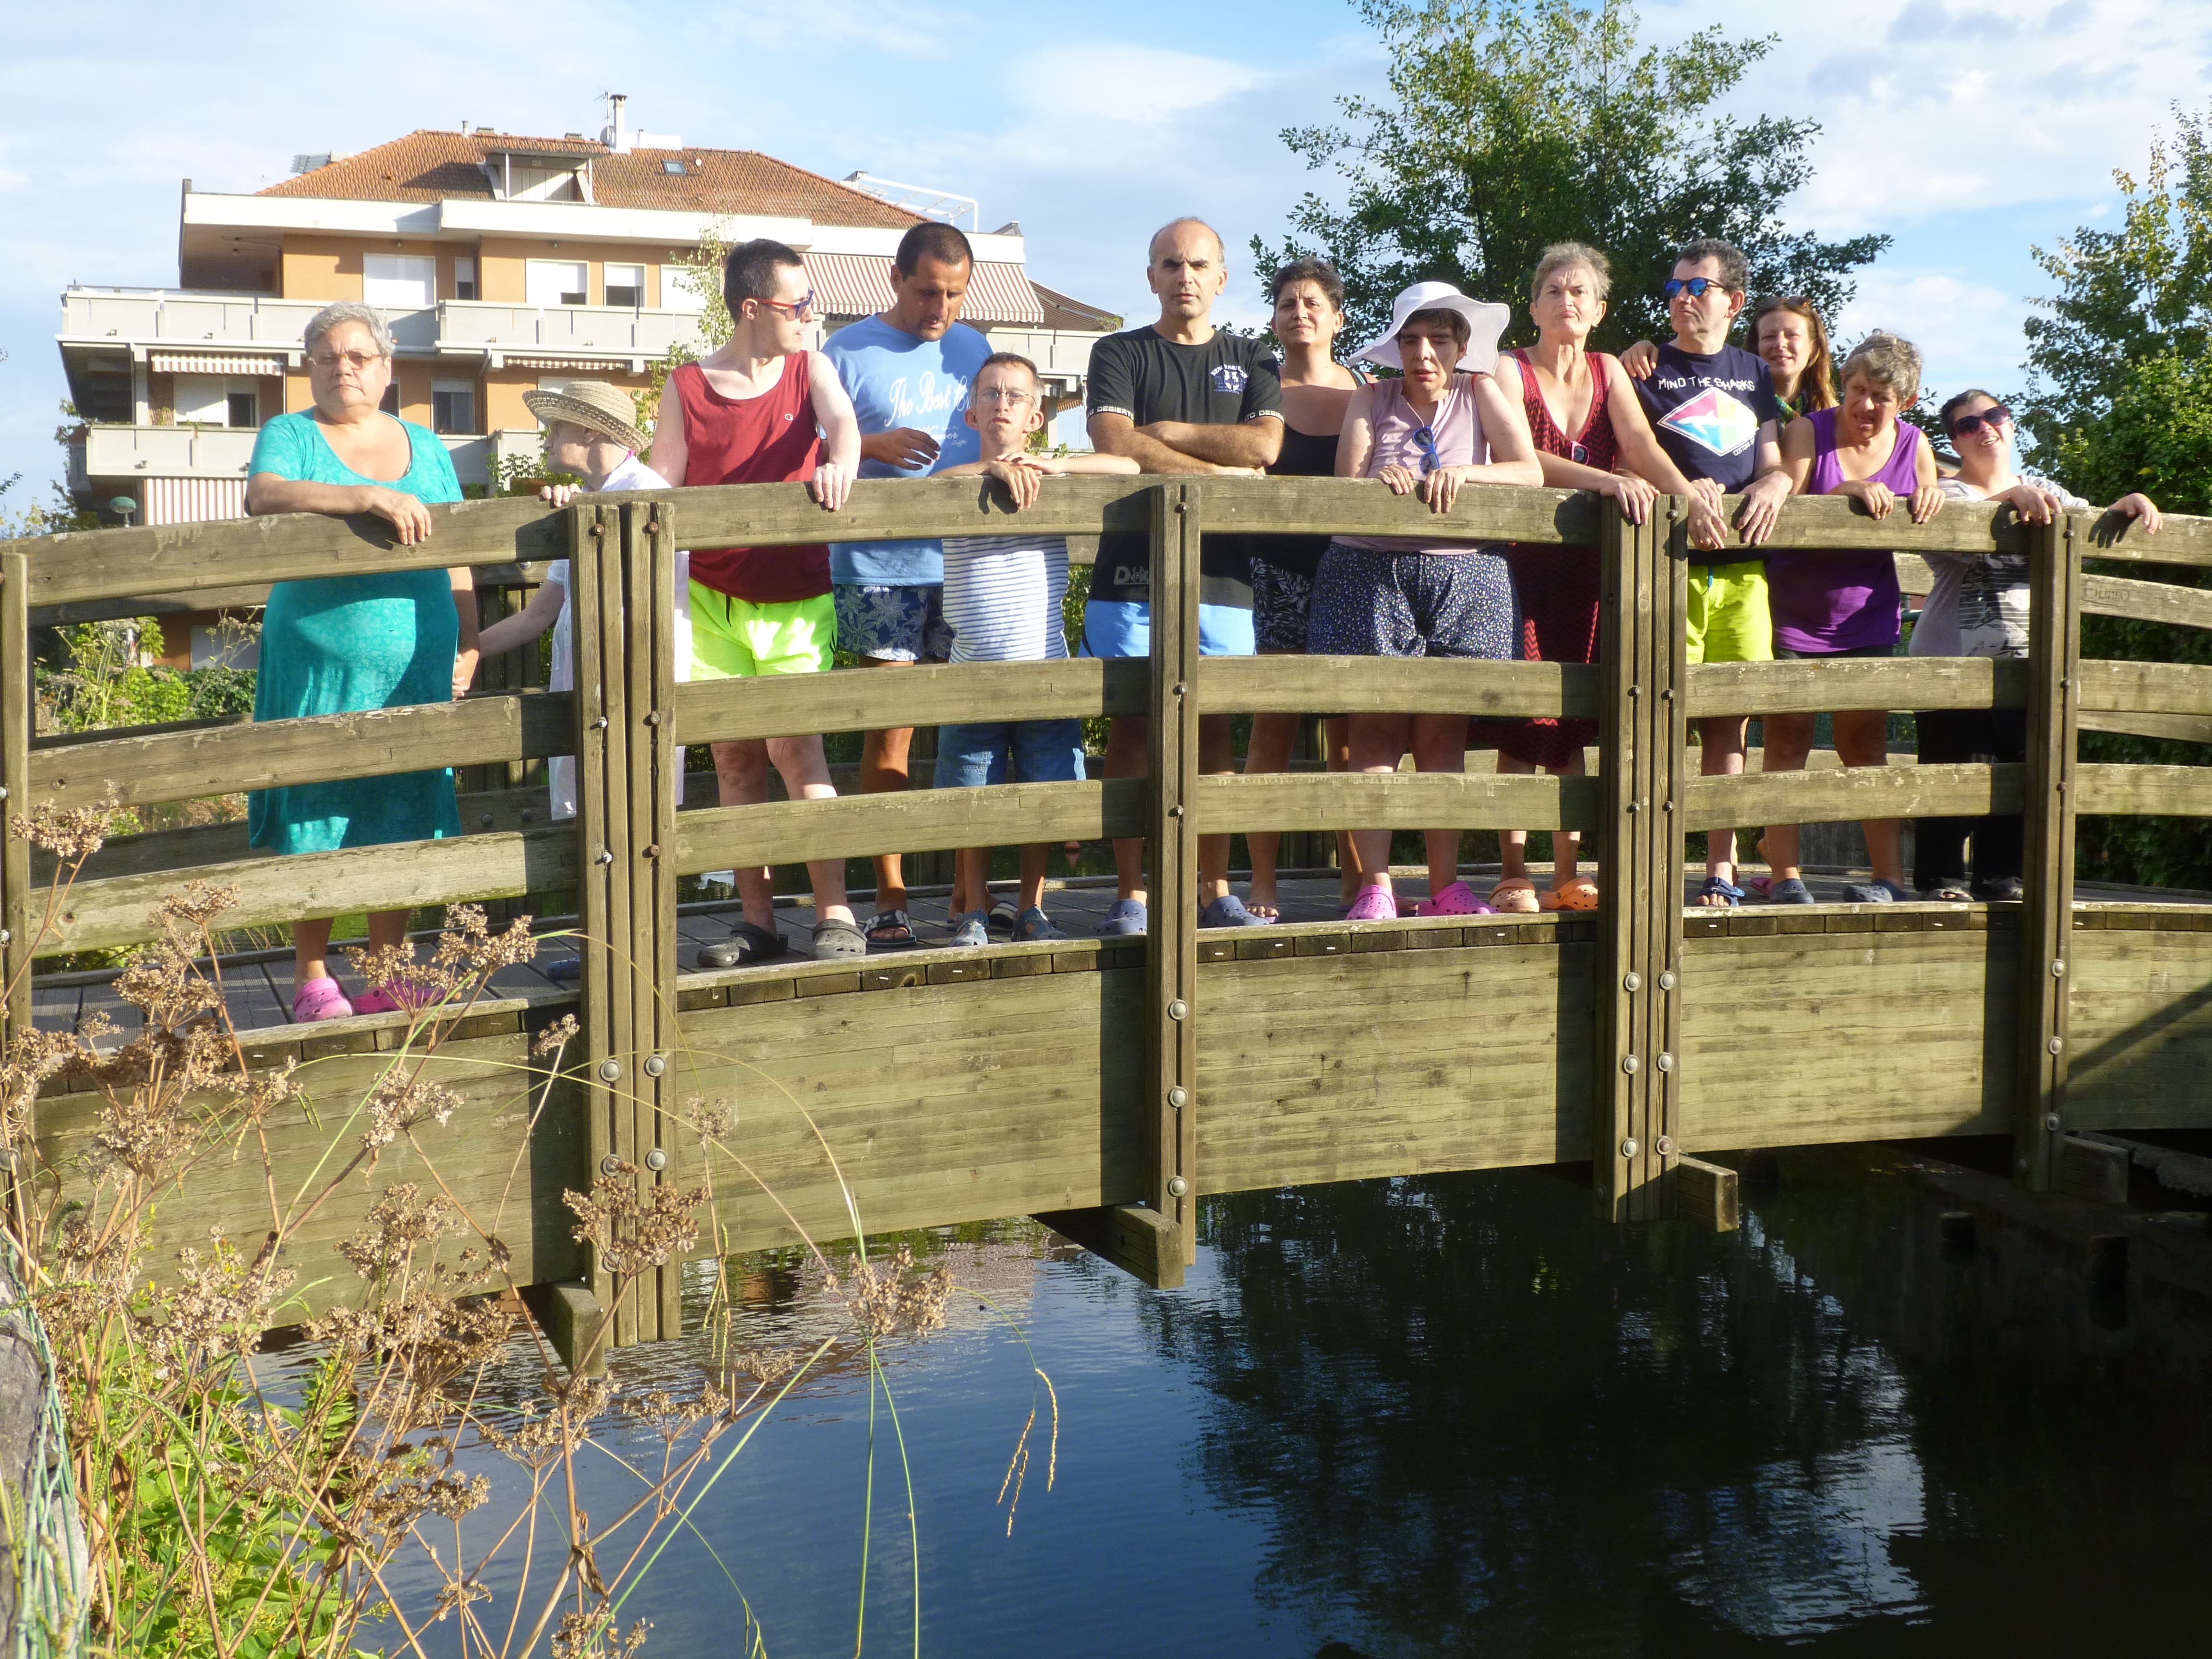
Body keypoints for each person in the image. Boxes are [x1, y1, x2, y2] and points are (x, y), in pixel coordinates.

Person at [243, 301, 479, 1022]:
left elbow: (463, 552)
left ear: (386, 367)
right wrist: (366, 497)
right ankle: (313, 975)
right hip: (317, 663)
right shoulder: (291, 433)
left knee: (402, 803)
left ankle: (389, 971)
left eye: (357, 356)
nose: (341, 367)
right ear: (309, 368)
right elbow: (263, 494)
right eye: (325, 357)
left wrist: (470, 640)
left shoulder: (427, 443)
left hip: (417, 658)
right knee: (316, 798)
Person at [1487, 243, 1727, 914]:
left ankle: (1569, 873)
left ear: (1600, 310)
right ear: (1534, 306)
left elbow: (1643, 445)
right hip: (1517, 562)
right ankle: (1513, 872)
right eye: (1555, 291)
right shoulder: (1508, 370)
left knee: (1569, 721)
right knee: (1519, 722)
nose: (1568, 301)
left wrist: (1687, 500)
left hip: (1588, 570)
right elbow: (1521, 454)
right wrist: (1607, 481)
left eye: (1580, 293)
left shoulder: (1608, 370)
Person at [648, 237, 866, 965]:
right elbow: (659, 484)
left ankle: (835, 914)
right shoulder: (687, 386)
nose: (811, 314)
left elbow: (845, 427)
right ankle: (756, 922)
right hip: (709, 596)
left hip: (796, 594)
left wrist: (839, 464)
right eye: (798, 304)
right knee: (736, 761)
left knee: (800, 755)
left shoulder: (811, 367)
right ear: (752, 308)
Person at [1314, 281, 1544, 921]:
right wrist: (1377, 480)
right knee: (1374, 733)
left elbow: (1529, 470)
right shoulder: (1371, 395)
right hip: (1369, 572)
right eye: (1411, 339)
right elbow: (1347, 482)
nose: (1424, 353)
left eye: (1439, 339)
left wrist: (1467, 473)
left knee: (1444, 736)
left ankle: (1448, 887)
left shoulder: (1482, 392)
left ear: (1461, 346)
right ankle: (1377, 887)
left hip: (1463, 575)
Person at [1085, 217, 1285, 934]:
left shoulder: (1254, 355)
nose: (1185, 276)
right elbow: (1113, 442)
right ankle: (1132, 895)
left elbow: (1266, 443)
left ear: (1223, 277)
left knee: (1214, 734)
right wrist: (1223, 474)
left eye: (1199, 264)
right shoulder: (1118, 351)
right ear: (1150, 277)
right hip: (1129, 574)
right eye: (1170, 264)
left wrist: (1168, 436)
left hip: (1225, 579)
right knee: (1133, 729)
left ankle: (1214, 889)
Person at [471, 381, 685, 981]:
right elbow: (544, 611)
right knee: (597, 819)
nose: (548, 440)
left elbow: (652, 605)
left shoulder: (646, 495)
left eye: (557, 429)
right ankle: (606, 952)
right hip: (589, 690)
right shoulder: (589, 501)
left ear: (590, 433)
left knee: (635, 820)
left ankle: (640, 958)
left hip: (633, 689)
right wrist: (470, 654)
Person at [1912, 390, 2162, 900]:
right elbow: (1948, 539)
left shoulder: (2045, 488)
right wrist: (2008, 502)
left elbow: (2085, 529)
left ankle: (2000, 879)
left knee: (2018, 773)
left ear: (2009, 422)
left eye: (1994, 416)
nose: (1986, 428)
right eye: (1967, 425)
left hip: (2031, 664)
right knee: (1954, 777)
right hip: (1952, 667)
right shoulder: (1946, 493)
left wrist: (2128, 505)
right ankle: (1939, 881)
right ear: (1955, 441)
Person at [823, 221, 994, 949]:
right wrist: (868, 446)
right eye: (928, 291)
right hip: (879, 573)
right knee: (891, 737)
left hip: (965, 563)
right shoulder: (845, 350)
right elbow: (808, 454)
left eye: (955, 294)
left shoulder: (975, 346)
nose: (941, 310)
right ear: (895, 278)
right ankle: (890, 899)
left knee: (970, 733)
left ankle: (968, 896)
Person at [931, 353, 1142, 942]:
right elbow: (931, 486)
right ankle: (972, 907)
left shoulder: (1051, 479)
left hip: (1046, 674)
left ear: (1037, 417)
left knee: (1044, 796)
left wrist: (1045, 462)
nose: (1003, 404)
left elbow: (1126, 464)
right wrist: (991, 471)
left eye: (1017, 396)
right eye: (991, 394)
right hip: (972, 676)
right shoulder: (956, 484)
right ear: (971, 412)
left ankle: (1031, 906)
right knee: (971, 798)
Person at [1629, 239, 1793, 906]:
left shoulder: (1755, 373)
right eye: (1674, 288)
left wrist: (1778, 486)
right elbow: (1626, 455)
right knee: (1656, 718)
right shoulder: (1640, 366)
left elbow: (1773, 458)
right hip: (1666, 569)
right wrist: (1686, 490)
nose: (1683, 299)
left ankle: (1720, 870)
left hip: (1744, 573)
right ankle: (1652, 863)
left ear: (1733, 300)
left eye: (1697, 288)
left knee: (1730, 721)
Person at [1763, 330, 1943, 904]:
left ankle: (1888, 878)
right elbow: (1783, 501)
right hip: (1792, 610)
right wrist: (1845, 490)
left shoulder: (1916, 445)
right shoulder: (1807, 431)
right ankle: (1786, 875)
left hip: (1867, 615)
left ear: (1905, 403)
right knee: (1787, 741)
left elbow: (1941, 500)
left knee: (1864, 744)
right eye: (1857, 390)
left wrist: (1933, 499)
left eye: (1881, 397)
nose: (1865, 405)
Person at [1240, 257, 1364, 917]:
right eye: (1288, 303)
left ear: (1338, 317)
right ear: (1274, 318)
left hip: (1350, 571)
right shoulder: (1258, 390)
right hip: (1271, 570)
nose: (1300, 312)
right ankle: (1263, 882)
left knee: (1349, 737)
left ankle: (1357, 882)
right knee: (1273, 728)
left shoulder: (1368, 389)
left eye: (1313, 302)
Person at [1623, 294, 1839, 423]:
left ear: (1814, 348)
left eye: (1792, 335)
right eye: (1769, 336)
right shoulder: (1728, 398)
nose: (1780, 344)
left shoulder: (1833, 418)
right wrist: (1643, 348)